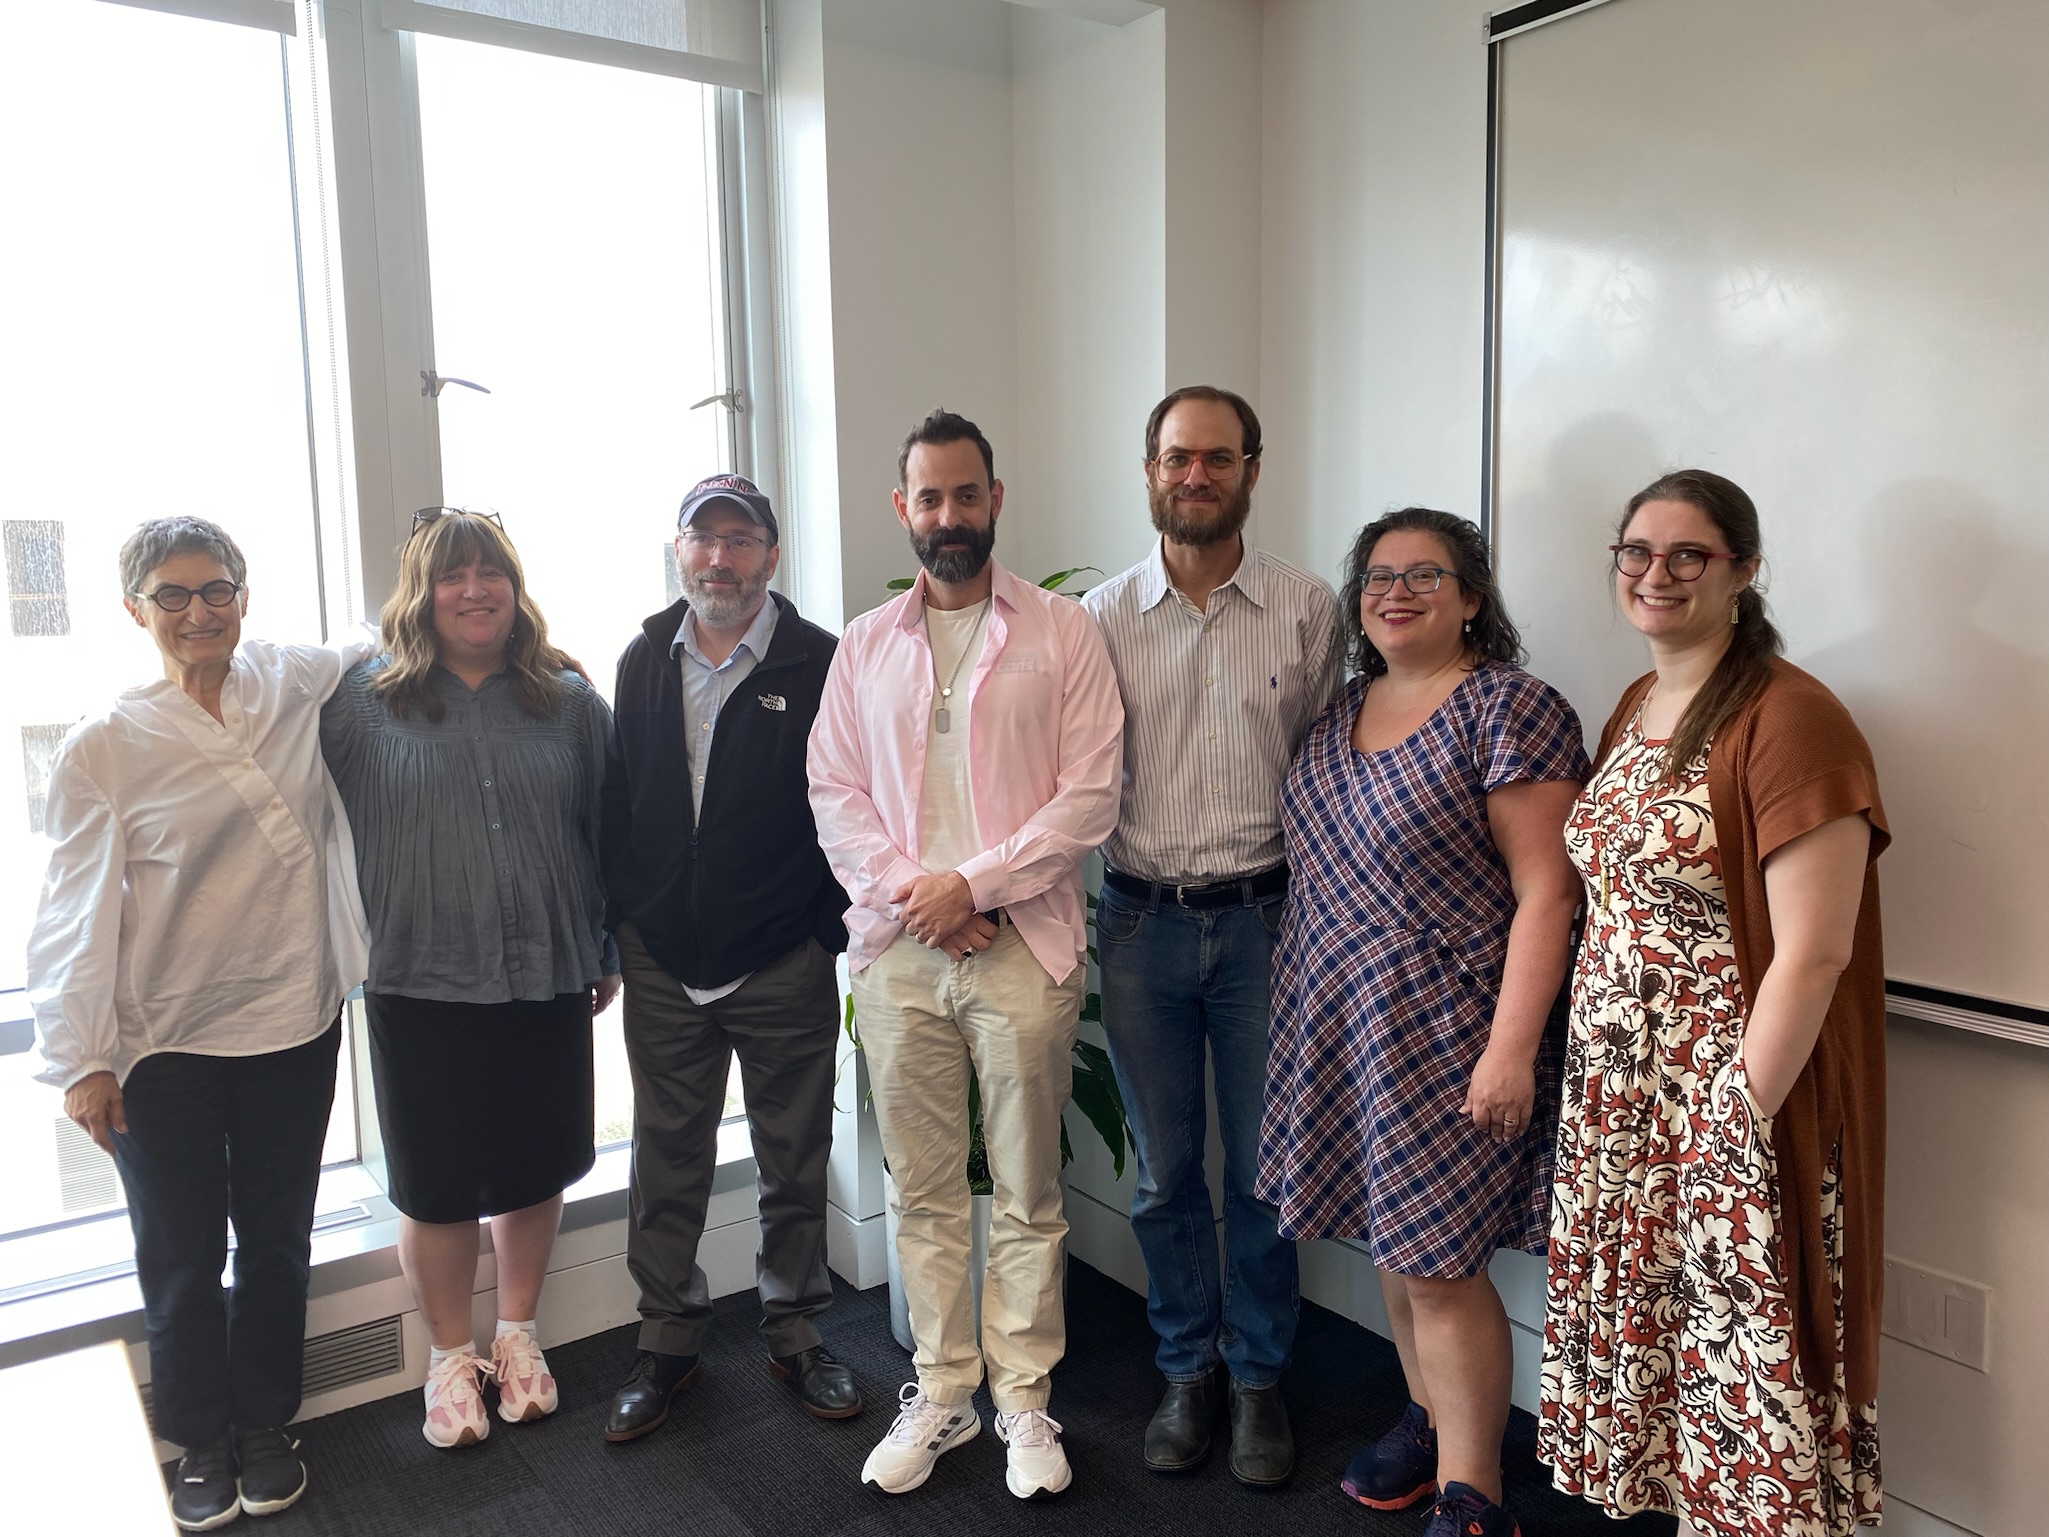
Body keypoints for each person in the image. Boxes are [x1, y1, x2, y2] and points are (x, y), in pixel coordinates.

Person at [1539, 470, 1888, 1537]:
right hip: (1620, 1097)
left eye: (1688, 554)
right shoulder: (1640, 703)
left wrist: (1736, 1122)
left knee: (1740, 1364)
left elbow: (1815, 951)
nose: (1656, 574)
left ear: (1742, 569)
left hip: (1726, 1100)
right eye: (1635, 552)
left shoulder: (1793, 717)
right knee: (1665, 1361)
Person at [28, 516, 372, 1531]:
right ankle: (198, 1442)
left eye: (215, 588)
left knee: (275, 1243)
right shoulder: (106, 743)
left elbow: (372, 639)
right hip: (161, 1043)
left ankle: (267, 1424)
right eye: (171, 595)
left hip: (293, 1022)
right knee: (179, 1254)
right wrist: (83, 1056)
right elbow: (71, 909)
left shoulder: (288, 679)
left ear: (245, 595)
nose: (197, 611)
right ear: (135, 609)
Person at [808, 410, 1123, 1500]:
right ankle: (943, 1391)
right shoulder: (863, 644)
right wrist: (924, 898)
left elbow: (1089, 797)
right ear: (904, 510)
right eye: (928, 499)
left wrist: (971, 888)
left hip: (1022, 947)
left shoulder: (1062, 631)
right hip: (899, 954)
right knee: (925, 1187)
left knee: (1030, 1188)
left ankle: (1026, 1403)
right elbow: (834, 794)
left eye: (966, 495)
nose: (949, 516)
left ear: (997, 498)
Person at [1257, 508, 1587, 1537]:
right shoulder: (1338, 712)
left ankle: (1475, 1491)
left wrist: (1510, 1048)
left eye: (1425, 575)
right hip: (1339, 1027)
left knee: (1441, 1264)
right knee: (1392, 1251)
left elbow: (1549, 893)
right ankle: (1430, 1418)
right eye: (1378, 576)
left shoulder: (1507, 709)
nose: (1395, 592)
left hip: (1449, 1034)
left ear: (1473, 597)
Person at [1080, 385, 1341, 1486]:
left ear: (1251, 470)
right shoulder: (1097, 617)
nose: (1197, 475)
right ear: (1149, 470)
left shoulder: (1307, 608)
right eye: (1178, 457)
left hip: (1267, 921)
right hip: (1139, 920)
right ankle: (1187, 1370)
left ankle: (1259, 1378)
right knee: (1165, 1171)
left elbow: (1333, 771)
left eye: (1218, 458)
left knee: (1268, 1173)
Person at [320, 509, 618, 1452]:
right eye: (454, 574)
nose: (475, 587)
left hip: (547, 969)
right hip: (420, 977)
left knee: (535, 1162)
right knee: (436, 1182)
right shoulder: (359, 702)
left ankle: (518, 1334)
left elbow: (610, 826)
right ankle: (452, 1356)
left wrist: (603, 945)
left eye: (491, 570)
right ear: (421, 591)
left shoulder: (565, 696)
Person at [598, 473, 859, 1440]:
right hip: (666, 958)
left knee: (794, 1155)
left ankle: (794, 1332)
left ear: (770, 555)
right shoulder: (639, 659)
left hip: (780, 957)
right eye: (703, 539)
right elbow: (619, 802)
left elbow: (851, 808)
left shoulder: (821, 661)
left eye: (740, 539)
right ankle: (666, 1341)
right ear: (678, 550)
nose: (720, 557)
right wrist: (630, 922)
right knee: (667, 1157)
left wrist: (824, 930)